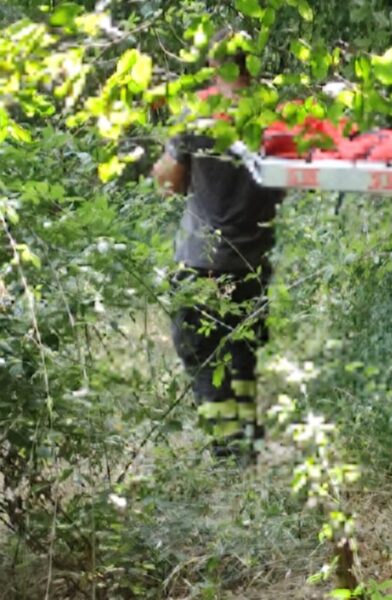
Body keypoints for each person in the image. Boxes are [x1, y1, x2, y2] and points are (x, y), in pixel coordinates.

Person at [153, 30, 283, 462]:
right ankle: (247, 448)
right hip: (253, 260)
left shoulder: (199, 114)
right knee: (242, 354)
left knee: (203, 355)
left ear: (215, 64)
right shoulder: (275, 115)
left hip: (201, 261)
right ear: (252, 63)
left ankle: (229, 458)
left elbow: (169, 182)